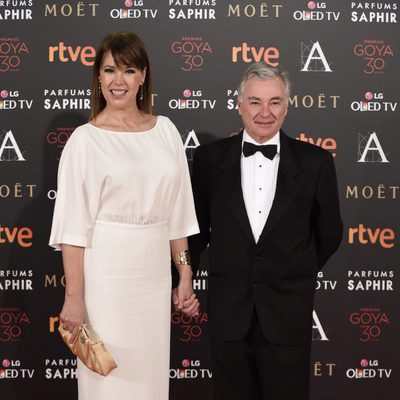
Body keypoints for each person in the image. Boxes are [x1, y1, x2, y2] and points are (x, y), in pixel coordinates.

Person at [49, 32, 200, 400]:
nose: (119, 81)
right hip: (106, 281)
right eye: (109, 70)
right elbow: (73, 228)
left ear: (143, 76)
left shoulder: (165, 132)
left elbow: (177, 214)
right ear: (98, 79)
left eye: (128, 70)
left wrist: (184, 271)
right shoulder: (84, 141)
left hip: (153, 279)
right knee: (108, 383)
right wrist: (74, 298)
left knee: (148, 381)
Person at [189, 62, 343, 400]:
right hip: (229, 313)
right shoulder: (208, 160)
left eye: (275, 101)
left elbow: (330, 233)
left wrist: (291, 270)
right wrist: (181, 280)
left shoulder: (316, 162)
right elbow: (194, 230)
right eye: (255, 101)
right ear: (239, 104)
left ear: (287, 106)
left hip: (288, 313)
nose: (264, 112)